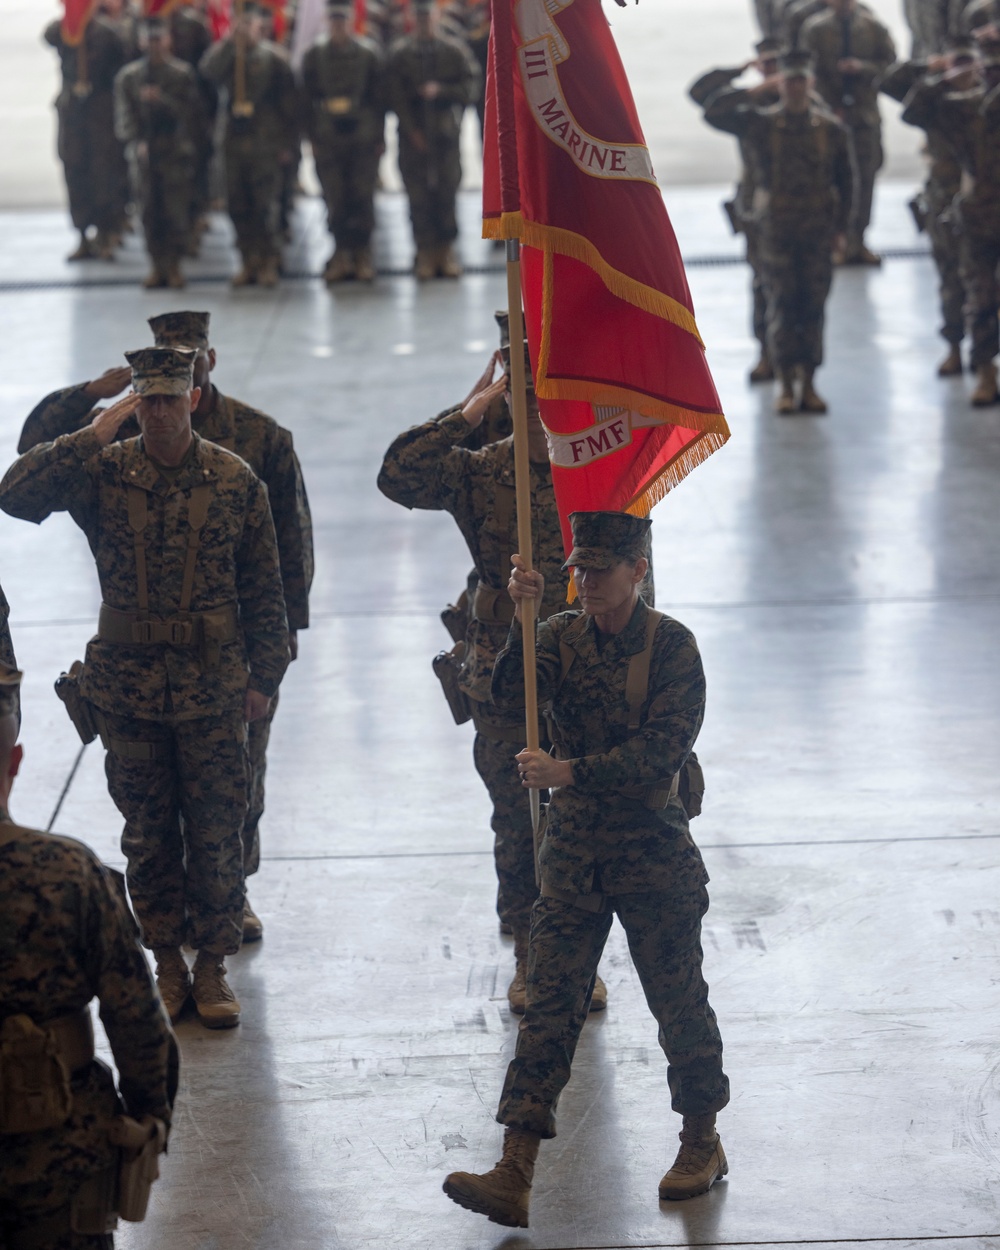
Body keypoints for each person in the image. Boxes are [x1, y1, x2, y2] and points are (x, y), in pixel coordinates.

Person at [442, 511, 729, 1228]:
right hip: (572, 856)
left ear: (639, 569)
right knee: (549, 1009)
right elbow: (508, 702)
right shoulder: (559, 634)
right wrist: (520, 614)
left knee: (677, 1002)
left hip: (650, 855)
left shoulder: (672, 650)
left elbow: (659, 756)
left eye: (603, 569)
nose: (589, 581)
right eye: (581, 568)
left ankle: (702, 1140)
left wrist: (566, 772)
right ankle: (515, 1167)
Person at [0, 347, 290, 1029]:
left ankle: (213, 966)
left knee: (218, 828)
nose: (158, 413)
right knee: (148, 832)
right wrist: (98, 428)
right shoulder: (103, 472)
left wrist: (264, 680)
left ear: (193, 399)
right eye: (147, 400)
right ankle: (166, 961)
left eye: (169, 399)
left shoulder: (233, 479)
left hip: (215, 688)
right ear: (136, 403)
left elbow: (264, 589)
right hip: (128, 689)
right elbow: (16, 494)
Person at [377, 337, 611, 1014]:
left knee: (580, 818)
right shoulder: (481, 471)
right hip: (502, 676)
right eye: (526, 398)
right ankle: (532, 954)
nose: (540, 414)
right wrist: (469, 408)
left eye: (552, 399)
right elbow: (398, 474)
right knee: (518, 820)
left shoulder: (598, 477)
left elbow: (633, 578)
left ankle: (579, 957)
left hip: (581, 676)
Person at [0, 664, 178, 1248]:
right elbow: (136, 1016)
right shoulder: (68, 872)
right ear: (15, 761)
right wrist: (150, 1117)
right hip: (57, 1150)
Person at [705, 50, 855, 413]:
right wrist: (754, 91)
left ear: (811, 83)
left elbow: (848, 182)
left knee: (813, 307)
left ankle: (810, 382)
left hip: (816, 232)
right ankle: (786, 383)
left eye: (801, 80)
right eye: (789, 81)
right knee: (782, 306)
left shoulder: (830, 130)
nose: (796, 88)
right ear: (780, 84)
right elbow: (713, 111)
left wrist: (842, 230)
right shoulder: (762, 125)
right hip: (776, 232)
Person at [902, 43, 1000, 404]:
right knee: (980, 296)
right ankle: (985, 370)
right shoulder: (965, 111)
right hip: (977, 218)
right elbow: (914, 111)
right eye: (987, 71)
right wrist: (942, 75)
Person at [690, 37, 784, 382]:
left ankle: (796, 365)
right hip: (758, 207)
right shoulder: (748, 106)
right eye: (767, 63)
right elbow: (702, 97)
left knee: (800, 288)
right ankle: (766, 353)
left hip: (803, 207)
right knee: (762, 282)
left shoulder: (802, 98)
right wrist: (743, 76)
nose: (774, 72)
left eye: (779, 63)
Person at [882, 42, 977, 376]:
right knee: (950, 277)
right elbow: (895, 91)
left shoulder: (989, 99)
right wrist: (935, 71)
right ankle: (953, 346)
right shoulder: (936, 100)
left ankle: (986, 364)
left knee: (985, 283)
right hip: (944, 199)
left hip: (986, 201)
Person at [200, 3, 299, 286]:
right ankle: (247, 259)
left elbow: (290, 107)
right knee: (237, 203)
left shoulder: (274, 59)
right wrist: (231, 44)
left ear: (260, 26)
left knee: (265, 205)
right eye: (240, 23)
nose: (245, 29)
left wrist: (286, 145)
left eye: (250, 24)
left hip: (264, 143)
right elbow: (208, 71)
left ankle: (268, 259)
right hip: (233, 141)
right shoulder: (230, 56)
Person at [385, 0, 480, 279]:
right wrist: (412, 129)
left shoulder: (453, 51)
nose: (424, 21)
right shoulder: (400, 54)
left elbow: (471, 86)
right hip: (413, 135)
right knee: (418, 195)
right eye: (419, 16)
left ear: (437, 16)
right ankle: (424, 251)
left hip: (445, 135)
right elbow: (393, 96)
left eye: (428, 16)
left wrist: (443, 90)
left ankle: (445, 250)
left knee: (447, 191)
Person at [800, 0, 896, 264]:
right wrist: (831, 108)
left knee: (865, 180)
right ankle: (835, 241)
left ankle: (858, 241)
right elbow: (809, 74)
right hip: (831, 119)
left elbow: (889, 65)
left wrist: (862, 68)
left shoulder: (873, 27)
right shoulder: (815, 29)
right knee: (832, 180)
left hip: (864, 117)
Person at [114, 17, 203, 289]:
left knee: (175, 211)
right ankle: (156, 264)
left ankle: (174, 265)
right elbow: (124, 116)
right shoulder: (130, 77)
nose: (154, 45)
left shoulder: (181, 74)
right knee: (149, 212)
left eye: (159, 39)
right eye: (149, 40)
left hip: (173, 152)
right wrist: (136, 140)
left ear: (168, 41)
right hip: (145, 155)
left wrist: (160, 101)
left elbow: (191, 115)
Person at [301, 0, 386, 283]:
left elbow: (379, 99)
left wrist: (379, 136)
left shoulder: (367, 53)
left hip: (361, 136)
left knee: (362, 197)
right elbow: (306, 100)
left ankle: (362, 254)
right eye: (334, 21)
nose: (338, 26)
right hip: (328, 137)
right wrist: (311, 137)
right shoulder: (315, 55)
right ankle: (339, 253)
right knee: (334, 198)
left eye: (343, 20)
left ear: (351, 21)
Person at [43, 12, 130, 262]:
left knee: (104, 176)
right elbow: (48, 36)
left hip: (100, 114)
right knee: (75, 174)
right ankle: (82, 234)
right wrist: (72, 21)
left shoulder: (106, 34)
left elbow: (121, 61)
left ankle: (106, 234)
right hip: (73, 115)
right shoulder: (64, 29)